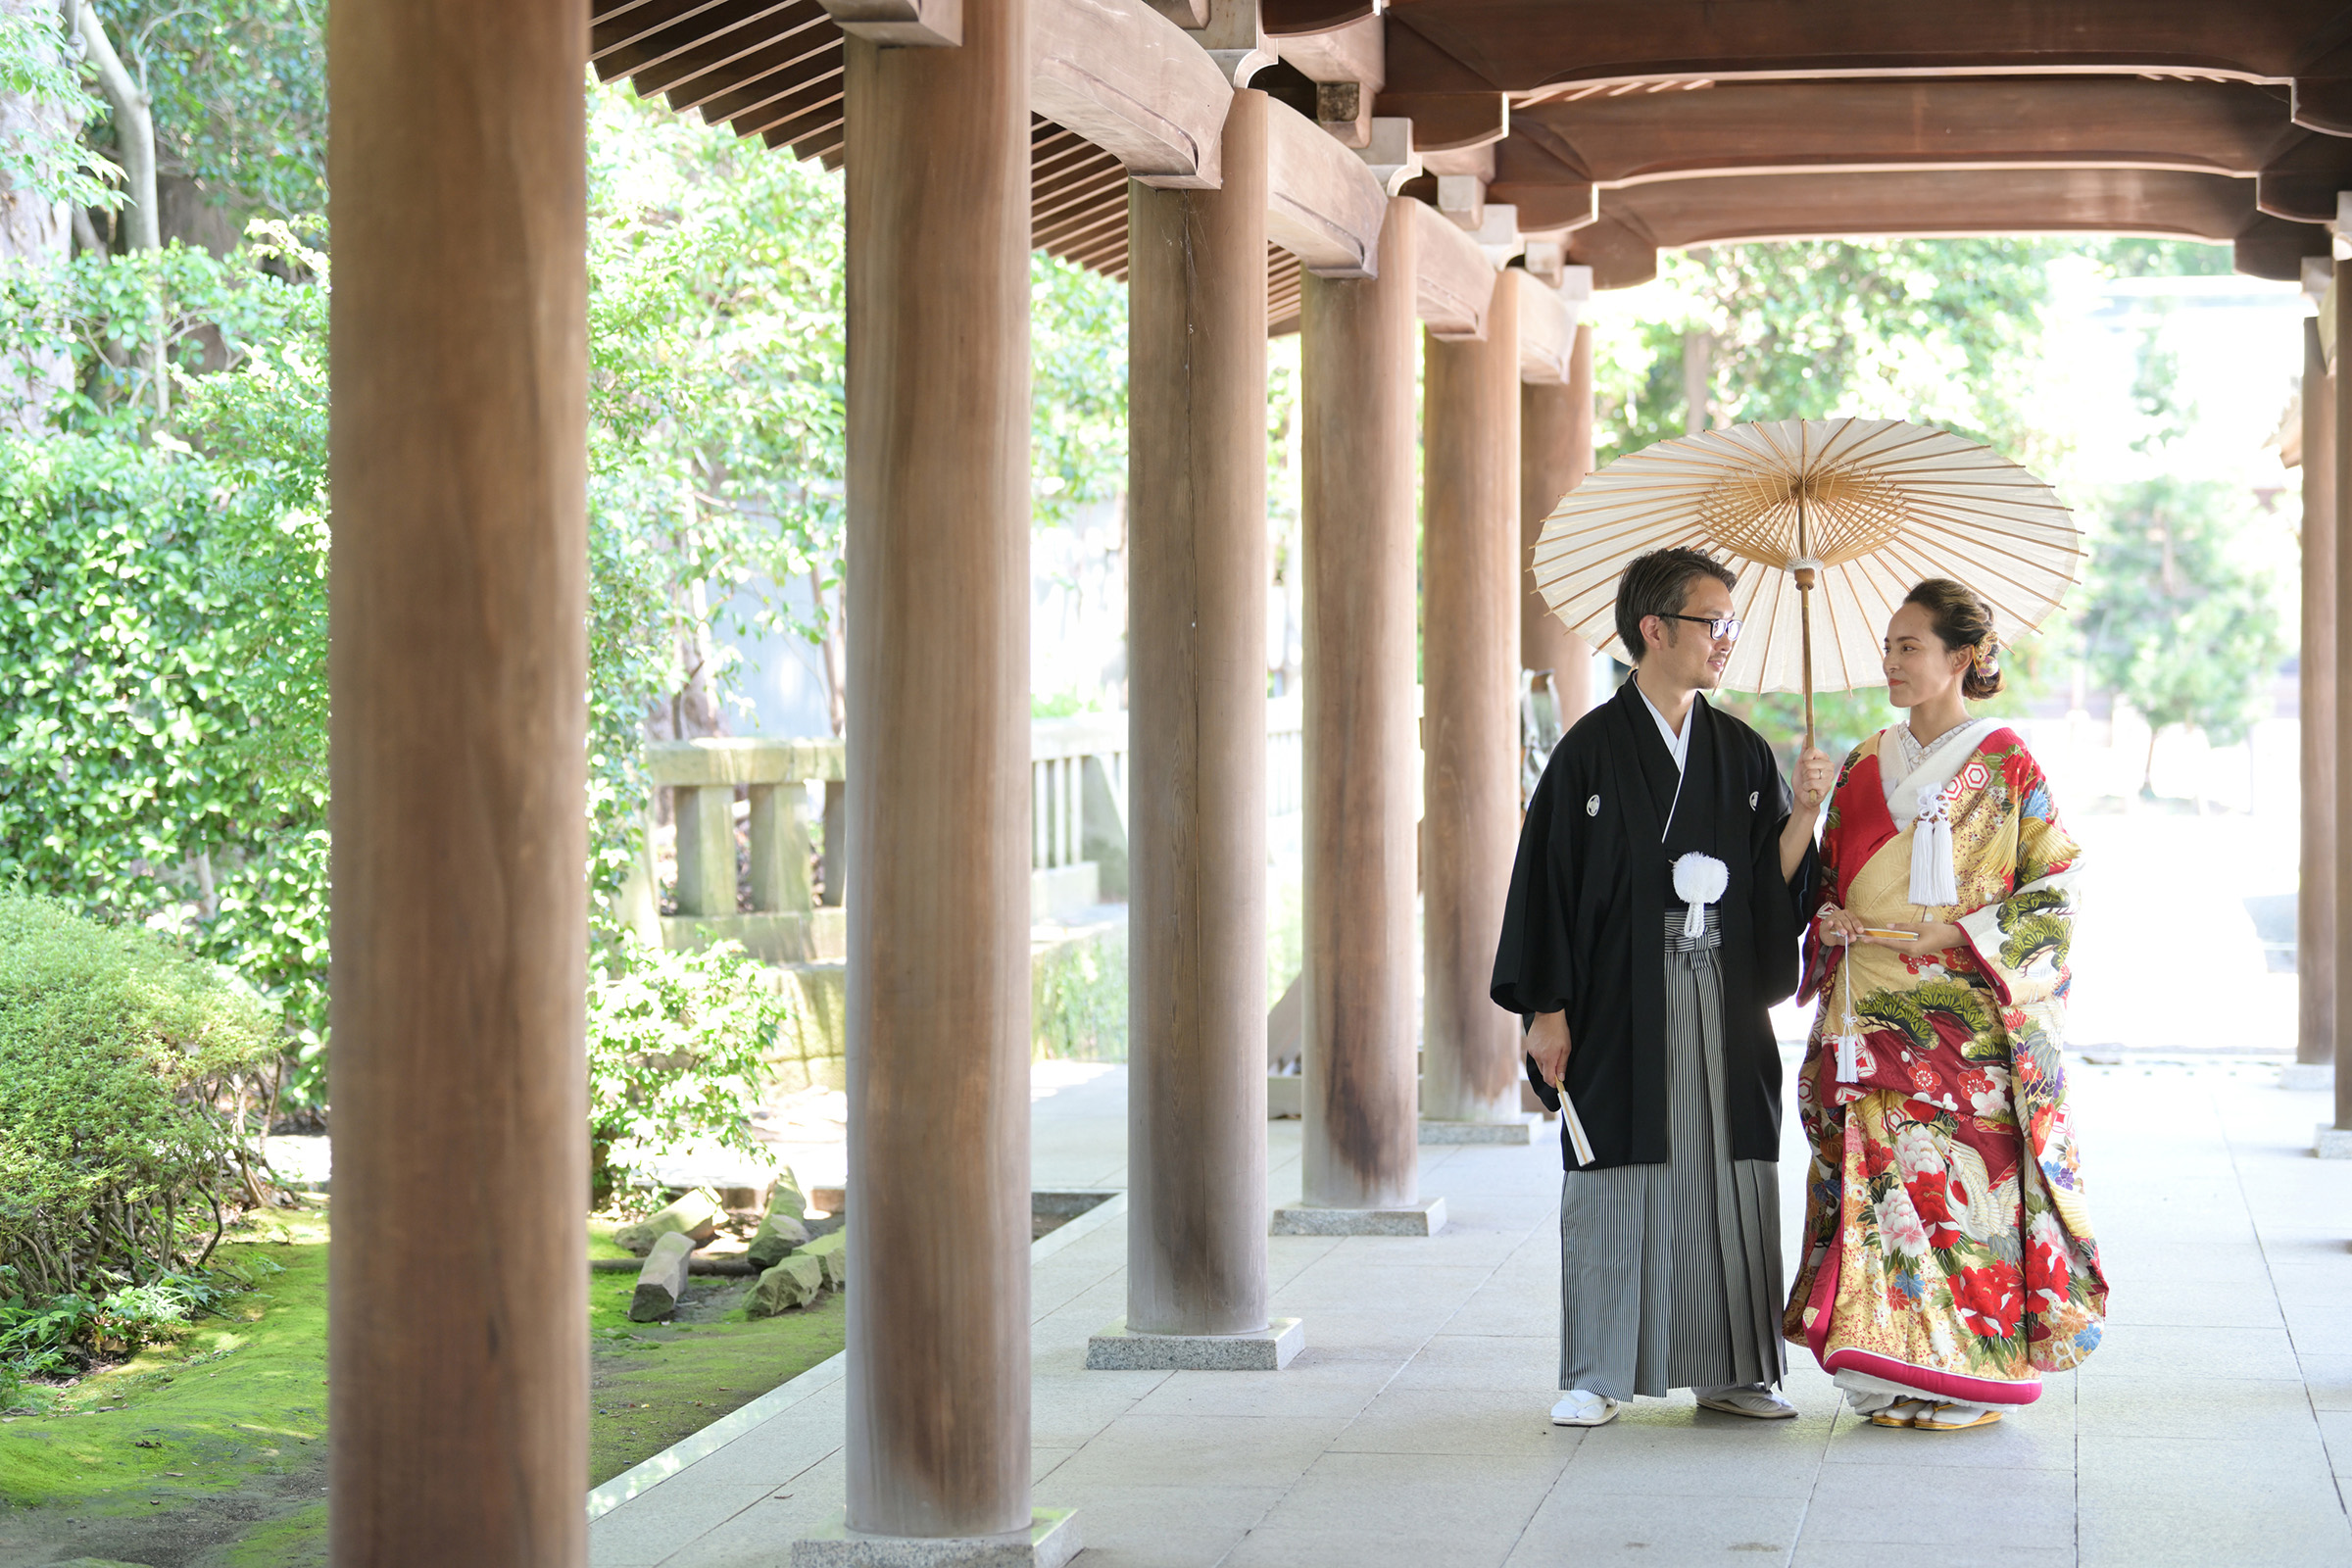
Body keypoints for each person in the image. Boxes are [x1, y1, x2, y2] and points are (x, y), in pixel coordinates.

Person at [1493, 547, 1833, 1428]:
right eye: (1712, 621)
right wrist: (1547, 1010)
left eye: (1730, 622)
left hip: (1720, 1003)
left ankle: (1732, 1371)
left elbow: (1771, 887)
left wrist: (1801, 817)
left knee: (1727, 1178)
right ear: (1654, 629)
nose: (1726, 639)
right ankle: (1597, 1370)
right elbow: (1547, 884)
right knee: (1615, 1180)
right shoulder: (1588, 755)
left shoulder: (1743, 751)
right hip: (1616, 1007)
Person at [1785, 577, 2106, 1432]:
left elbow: (2058, 886)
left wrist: (1962, 939)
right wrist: (1831, 914)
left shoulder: (2007, 763)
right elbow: (1824, 882)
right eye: (1888, 646)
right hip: (1867, 1011)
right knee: (1884, 1198)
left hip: (1962, 1024)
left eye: (1909, 646)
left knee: (1963, 1201)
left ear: (1963, 657)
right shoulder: (1858, 762)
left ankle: (1969, 1373)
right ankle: (1895, 1369)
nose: (1891, 661)